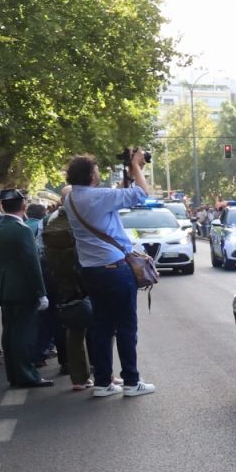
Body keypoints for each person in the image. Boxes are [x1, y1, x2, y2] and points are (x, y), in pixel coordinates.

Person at [62, 149, 156, 398]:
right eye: (96, 170)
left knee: (101, 327)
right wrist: (136, 165)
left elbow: (120, 193)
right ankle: (131, 381)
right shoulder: (97, 197)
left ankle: (103, 382)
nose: (99, 174)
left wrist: (132, 170)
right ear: (91, 176)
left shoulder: (71, 198)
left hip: (91, 272)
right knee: (126, 326)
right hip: (114, 270)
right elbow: (141, 194)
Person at [0, 192, 50, 388]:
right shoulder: (21, 230)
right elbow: (32, 264)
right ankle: (27, 374)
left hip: (7, 285)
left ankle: (15, 374)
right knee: (24, 335)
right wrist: (41, 292)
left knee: (10, 334)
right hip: (24, 287)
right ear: (23, 205)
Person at [40, 201, 91, 390]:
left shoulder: (51, 223)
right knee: (100, 328)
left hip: (61, 281)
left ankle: (77, 376)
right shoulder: (82, 221)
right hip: (85, 278)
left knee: (73, 329)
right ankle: (104, 375)